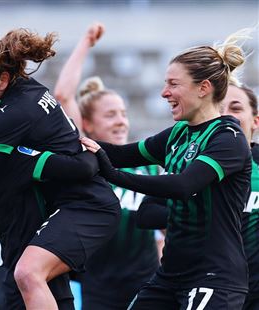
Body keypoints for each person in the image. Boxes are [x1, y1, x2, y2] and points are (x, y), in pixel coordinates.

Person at [81, 29, 252, 309]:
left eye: (173, 84)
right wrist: (66, 141)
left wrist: (114, 176)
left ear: (203, 88)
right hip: (171, 275)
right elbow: (121, 154)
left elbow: (184, 186)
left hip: (213, 276)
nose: (165, 93)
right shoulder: (177, 134)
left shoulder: (227, 138)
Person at [0, 28, 121, 309]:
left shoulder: (10, 117)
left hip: (86, 207)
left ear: (3, 79)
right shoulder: (29, 88)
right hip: (68, 207)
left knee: (27, 273)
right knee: (8, 277)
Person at [0, 83, 102, 309]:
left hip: (5, 280)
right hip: (34, 283)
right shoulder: (12, 160)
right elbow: (81, 168)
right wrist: (90, 152)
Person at [54, 22, 162, 309]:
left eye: (123, 114)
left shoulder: (148, 167)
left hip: (146, 279)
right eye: (110, 115)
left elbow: (165, 231)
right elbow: (63, 96)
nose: (121, 121)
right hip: (99, 282)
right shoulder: (86, 164)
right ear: (86, 124)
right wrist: (85, 43)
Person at [221, 82, 259, 310]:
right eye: (219, 109)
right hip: (215, 289)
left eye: (235, 108)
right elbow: (148, 214)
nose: (226, 116)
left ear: (255, 120)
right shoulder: (193, 165)